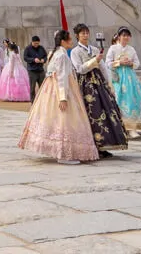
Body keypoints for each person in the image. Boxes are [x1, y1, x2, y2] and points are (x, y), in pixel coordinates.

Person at [18, 30, 99, 164]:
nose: (71, 41)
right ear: (63, 41)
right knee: (65, 120)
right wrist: (63, 97)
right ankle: (63, 153)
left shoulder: (54, 53)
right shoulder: (61, 55)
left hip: (50, 89)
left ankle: (61, 151)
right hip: (60, 89)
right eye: (69, 39)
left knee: (56, 119)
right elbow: (61, 77)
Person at [71, 24, 128, 158]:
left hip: (99, 83)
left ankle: (103, 144)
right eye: (82, 33)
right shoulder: (75, 52)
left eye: (86, 33)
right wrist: (93, 61)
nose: (85, 35)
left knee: (105, 111)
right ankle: (89, 145)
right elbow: (79, 69)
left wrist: (108, 84)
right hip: (85, 84)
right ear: (77, 35)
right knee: (90, 113)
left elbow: (103, 68)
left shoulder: (95, 49)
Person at [102, 28, 141, 138]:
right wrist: (119, 62)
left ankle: (131, 128)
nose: (126, 38)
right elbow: (107, 63)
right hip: (117, 77)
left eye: (128, 36)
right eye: (123, 35)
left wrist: (130, 63)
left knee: (132, 100)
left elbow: (137, 63)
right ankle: (121, 127)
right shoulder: (113, 49)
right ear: (118, 36)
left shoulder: (131, 49)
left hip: (130, 78)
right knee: (119, 100)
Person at [23, 36, 48, 101]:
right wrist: (33, 60)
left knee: (43, 87)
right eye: (35, 43)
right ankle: (33, 102)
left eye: (37, 43)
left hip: (40, 70)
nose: (36, 45)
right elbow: (25, 58)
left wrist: (43, 60)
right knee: (32, 87)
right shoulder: (28, 48)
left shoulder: (41, 48)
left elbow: (45, 56)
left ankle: (43, 101)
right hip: (32, 71)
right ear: (32, 42)